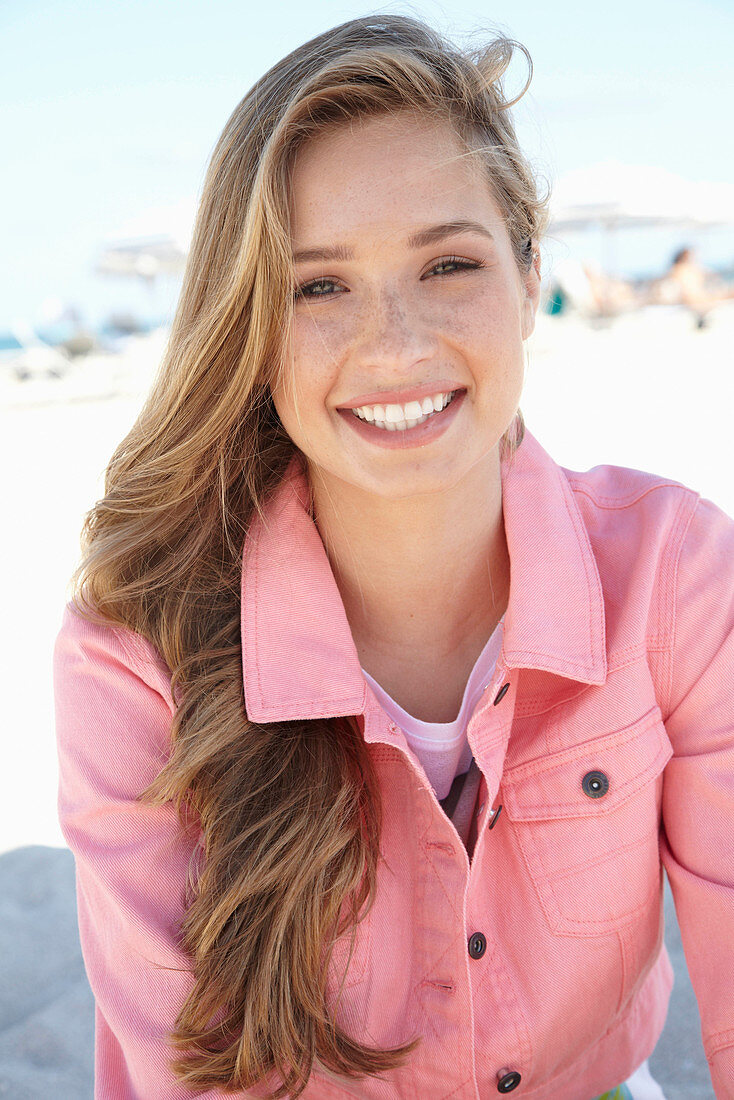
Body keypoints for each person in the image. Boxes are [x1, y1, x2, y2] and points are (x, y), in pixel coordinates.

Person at [53, 15, 734, 1100]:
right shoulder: (135, 651)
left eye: (447, 262)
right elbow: (188, 1071)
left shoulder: (677, 574)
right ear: (252, 326)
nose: (396, 343)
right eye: (319, 285)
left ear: (526, 273)